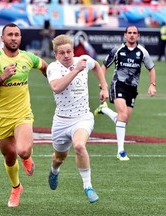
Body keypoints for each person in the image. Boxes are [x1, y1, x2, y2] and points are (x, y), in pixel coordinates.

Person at [0, 23, 48, 208]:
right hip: (2, 117)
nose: (13, 38)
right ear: (2, 38)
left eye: (17, 34)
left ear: (20, 38)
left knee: (23, 150)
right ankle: (16, 188)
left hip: (23, 115)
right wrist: (2, 77)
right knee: (10, 157)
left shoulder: (28, 57)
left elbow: (44, 67)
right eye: (9, 34)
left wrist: (54, 82)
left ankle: (27, 158)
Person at [46, 34, 109, 203]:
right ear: (55, 55)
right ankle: (54, 171)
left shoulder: (83, 59)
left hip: (82, 118)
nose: (66, 56)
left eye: (69, 51)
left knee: (80, 146)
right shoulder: (53, 68)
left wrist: (104, 87)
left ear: (73, 51)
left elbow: (95, 65)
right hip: (61, 121)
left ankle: (87, 186)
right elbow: (57, 87)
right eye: (61, 53)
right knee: (59, 158)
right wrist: (76, 70)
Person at [94, 25, 157, 161]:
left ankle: (104, 110)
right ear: (125, 35)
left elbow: (151, 68)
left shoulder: (142, 52)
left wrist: (152, 85)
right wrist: (103, 84)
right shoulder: (117, 50)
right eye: (129, 33)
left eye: (135, 33)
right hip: (118, 85)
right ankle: (120, 151)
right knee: (122, 115)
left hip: (132, 89)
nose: (132, 35)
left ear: (138, 36)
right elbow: (103, 66)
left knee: (123, 120)